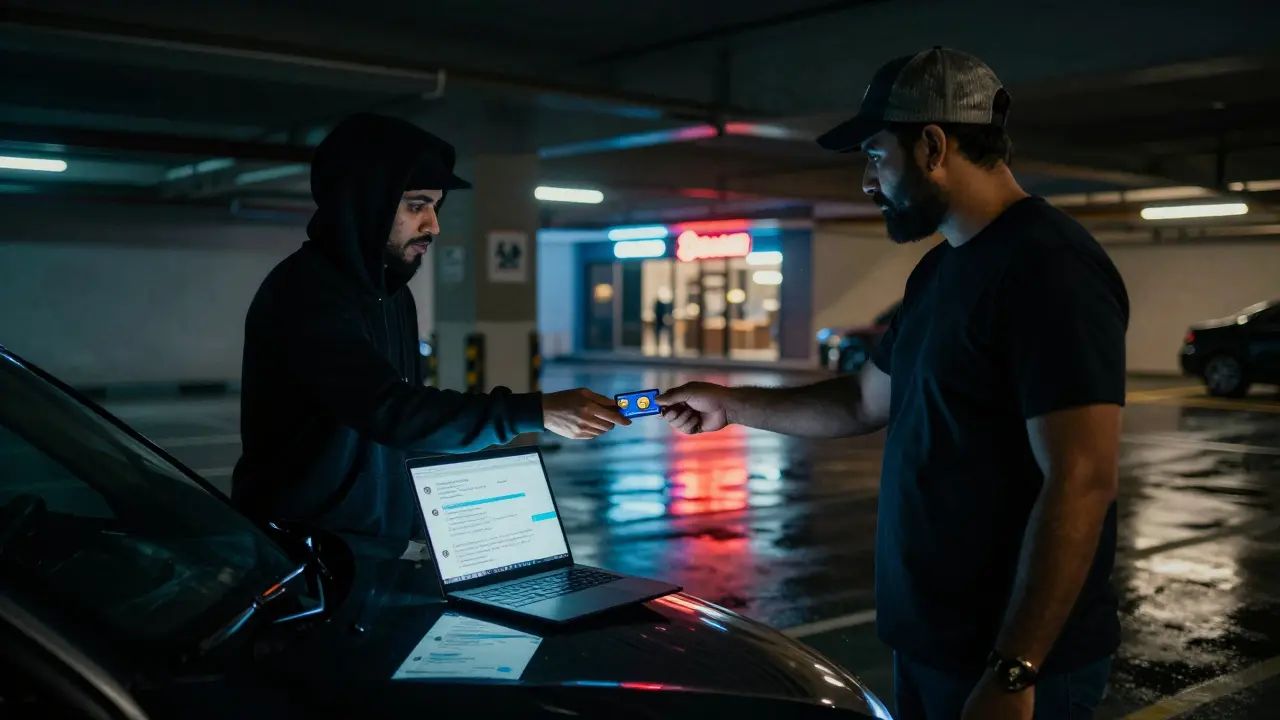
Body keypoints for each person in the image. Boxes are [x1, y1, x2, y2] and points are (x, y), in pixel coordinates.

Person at [657, 48, 1126, 720]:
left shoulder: (1050, 269)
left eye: (876, 156)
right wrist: (728, 403)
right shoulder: (938, 273)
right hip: (931, 642)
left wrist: (1014, 671)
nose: (868, 183)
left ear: (933, 146)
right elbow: (861, 400)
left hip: (1012, 663)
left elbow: (1081, 478)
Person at [232, 113, 628, 539]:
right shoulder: (305, 292)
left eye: (435, 207)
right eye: (417, 206)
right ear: (366, 201)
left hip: (373, 549)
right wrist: (534, 411)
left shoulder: (392, 294)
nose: (433, 225)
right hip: (298, 551)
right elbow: (389, 411)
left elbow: (406, 422)